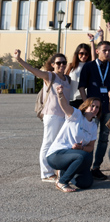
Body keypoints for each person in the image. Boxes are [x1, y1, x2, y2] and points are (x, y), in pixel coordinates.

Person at [14, 49, 71, 183]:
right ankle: (46, 173)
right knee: (48, 142)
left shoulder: (67, 78)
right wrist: (19, 60)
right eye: (58, 63)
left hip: (64, 116)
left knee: (60, 144)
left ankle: (57, 169)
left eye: (64, 63)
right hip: (52, 115)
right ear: (52, 64)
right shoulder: (49, 76)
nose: (61, 65)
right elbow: (33, 70)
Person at [78, 40, 110, 180]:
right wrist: (86, 104)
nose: (107, 53)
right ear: (97, 51)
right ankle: (85, 167)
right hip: (93, 109)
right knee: (88, 137)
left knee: (103, 138)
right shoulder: (89, 66)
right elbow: (82, 86)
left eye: (109, 50)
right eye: (104, 50)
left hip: (108, 108)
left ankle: (96, 167)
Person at [45, 85, 100, 192]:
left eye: (97, 107)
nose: (95, 109)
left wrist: (81, 148)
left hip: (76, 155)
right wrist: (60, 94)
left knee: (86, 183)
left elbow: (90, 147)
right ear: (86, 106)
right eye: (92, 106)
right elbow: (64, 105)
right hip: (56, 155)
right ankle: (62, 182)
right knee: (82, 156)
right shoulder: (76, 115)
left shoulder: (93, 126)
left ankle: (64, 172)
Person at [65, 40, 94, 108]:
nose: (84, 56)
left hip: (86, 99)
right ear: (77, 54)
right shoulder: (70, 66)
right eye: (81, 53)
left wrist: (92, 42)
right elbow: (64, 80)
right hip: (72, 99)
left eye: (86, 54)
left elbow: (94, 57)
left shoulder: (90, 66)